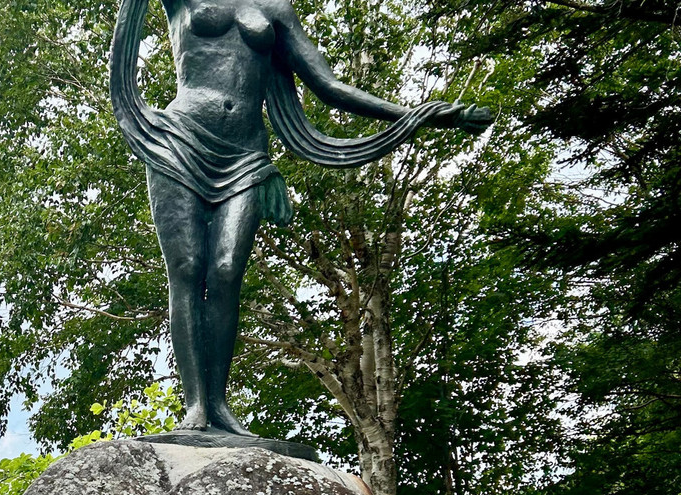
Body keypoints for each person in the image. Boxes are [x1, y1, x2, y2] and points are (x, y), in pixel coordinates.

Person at [111, 0, 492, 434]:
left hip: (246, 155)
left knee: (225, 272)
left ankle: (218, 403)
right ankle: (195, 406)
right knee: (186, 267)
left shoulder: (274, 8)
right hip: (178, 142)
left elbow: (328, 86)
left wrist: (426, 115)